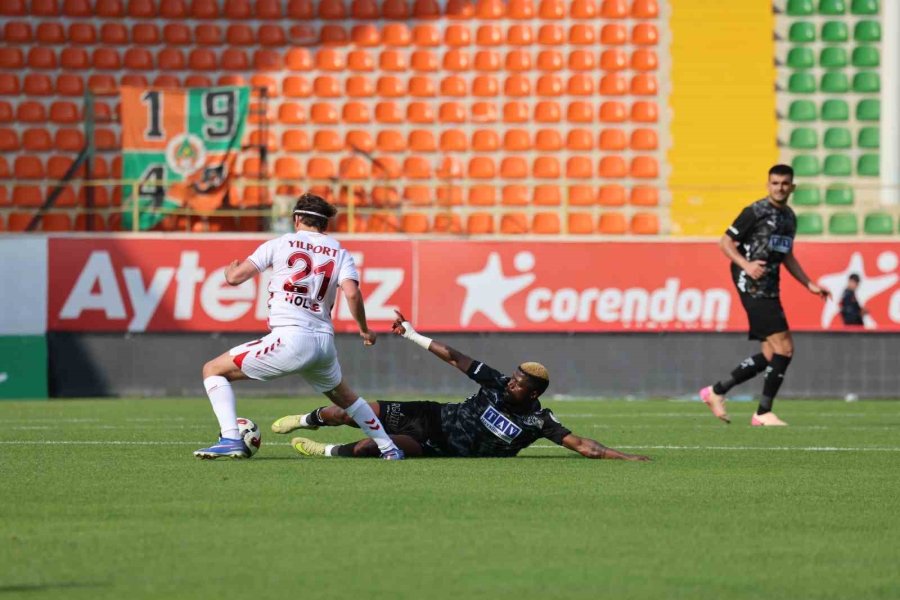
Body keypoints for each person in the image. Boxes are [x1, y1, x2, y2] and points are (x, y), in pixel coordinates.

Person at [270, 310, 650, 461]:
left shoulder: (538, 422)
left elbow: (584, 445)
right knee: (354, 410)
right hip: (431, 414)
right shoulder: (496, 382)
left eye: (518, 383)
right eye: (513, 377)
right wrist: (413, 335)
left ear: (532, 393)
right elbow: (454, 357)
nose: (510, 382)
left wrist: (628, 458)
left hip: (438, 446)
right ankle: (308, 419)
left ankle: (326, 451)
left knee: (373, 447)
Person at [194, 193, 403, 460]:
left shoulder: (280, 243)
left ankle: (231, 438)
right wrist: (364, 329)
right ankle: (389, 448)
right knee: (348, 399)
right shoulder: (340, 251)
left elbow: (236, 277)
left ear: (296, 219)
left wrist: (228, 272)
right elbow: (351, 293)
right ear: (325, 224)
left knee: (213, 370)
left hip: (290, 337)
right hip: (323, 343)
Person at [699, 164, 831, 426]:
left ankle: (716, 391)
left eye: (784, 183)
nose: (779, 187)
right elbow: (725, 243)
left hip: (771, 287)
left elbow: (787, 256)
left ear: (792, 187)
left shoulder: (789, 218)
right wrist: (746, 265)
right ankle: (762, 413)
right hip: (752, 286)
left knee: (771, 355)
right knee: (785, 348)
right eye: (775, 183)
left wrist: (809, 284)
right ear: (768, 184)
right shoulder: (755, 212)